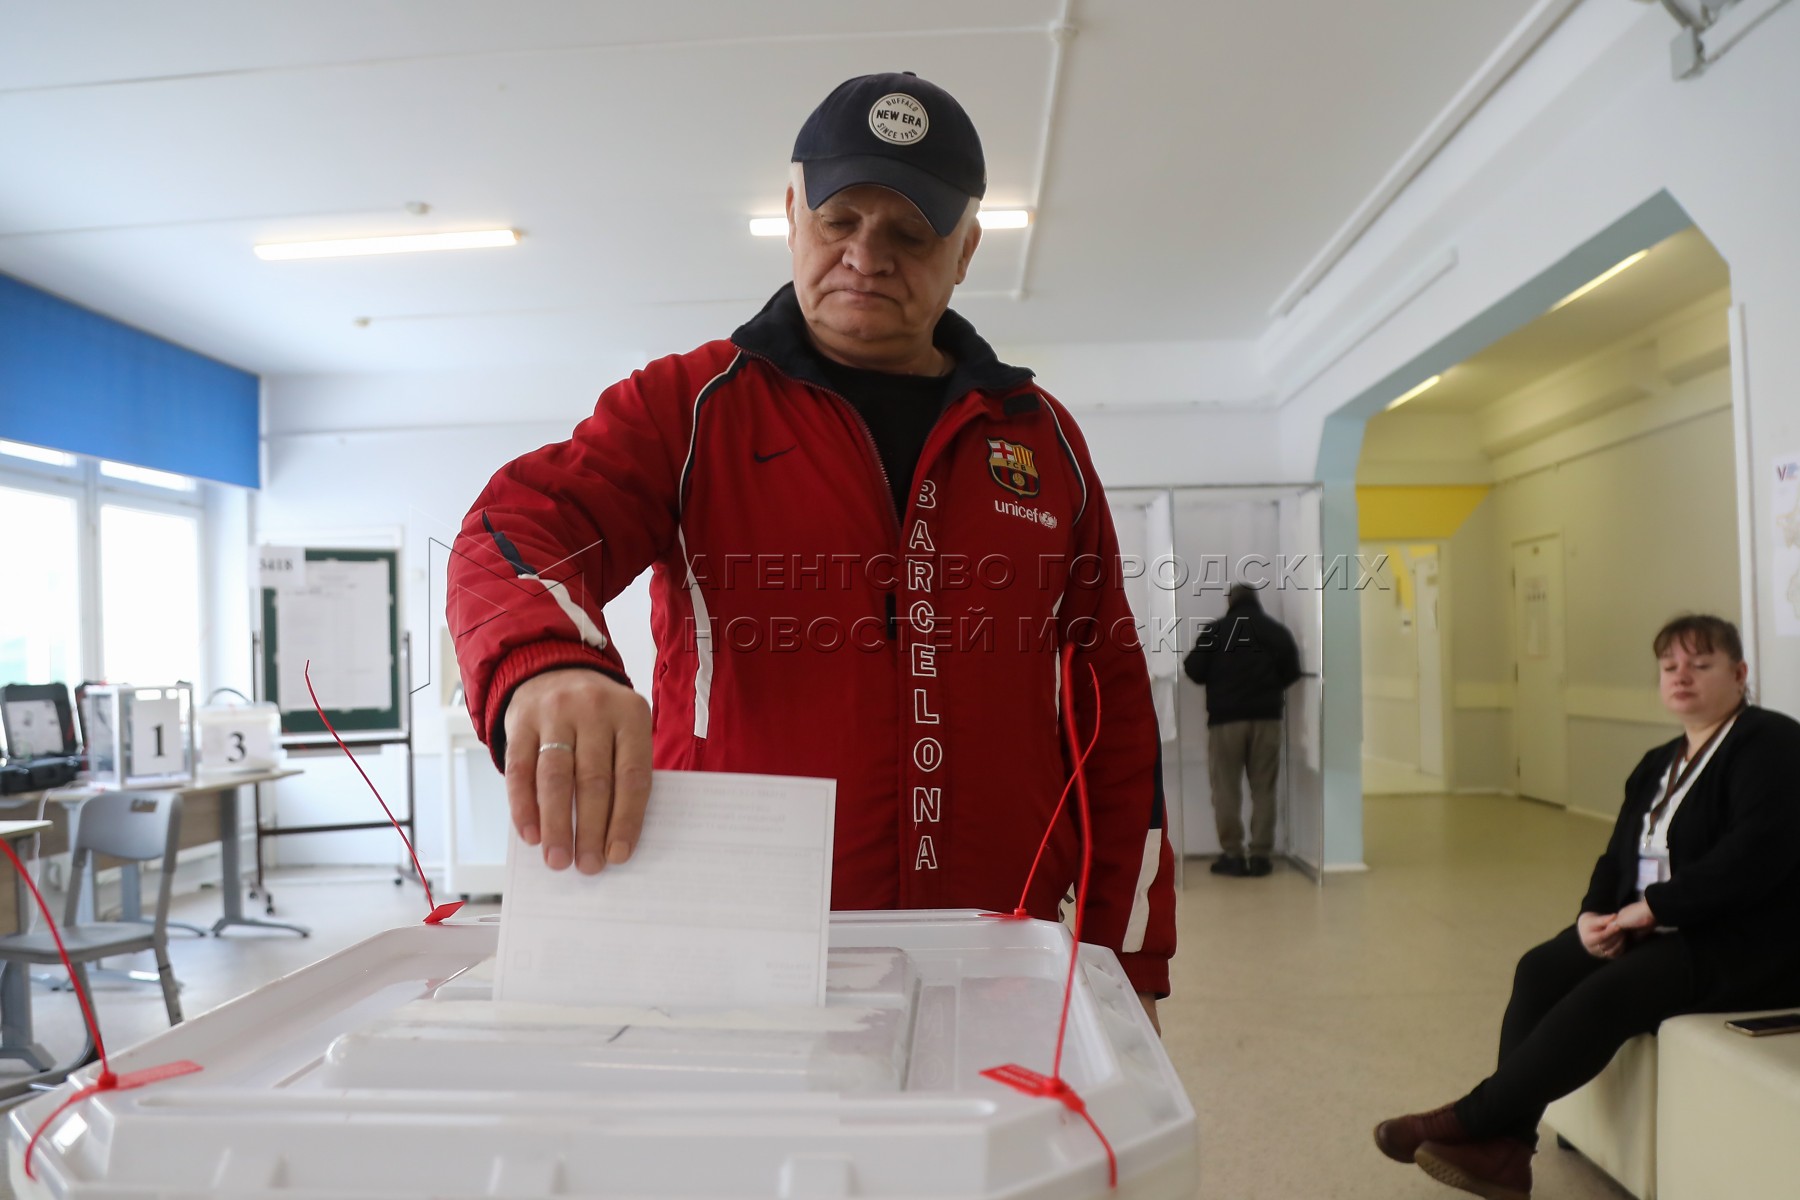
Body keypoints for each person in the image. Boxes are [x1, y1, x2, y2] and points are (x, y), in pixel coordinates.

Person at [447, 72, 1176, 1022]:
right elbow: (512, 527)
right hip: (740, 953)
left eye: (911, 232)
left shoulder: (1040, 439)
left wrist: (1129, 964)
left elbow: (1111, 711)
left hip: (1001, 949)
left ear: (965, 251)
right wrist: (550, 663)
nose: (866, 256)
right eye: (839, 219)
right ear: (792, 214)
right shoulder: (688, 408)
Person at [1373, 614, 1800, 1199]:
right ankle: (1510, 1149)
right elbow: (1617, 855)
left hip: (1748, 940)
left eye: (1701, 665)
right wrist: (1593, 915)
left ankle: (1472, 1121)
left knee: (1610, 990)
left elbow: (1754, 855)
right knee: (1541, 967)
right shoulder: (1659, 761)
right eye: (1670, 666)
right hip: (1660, 925)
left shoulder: (1772, 744)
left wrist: (1654, 909)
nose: (1682, 677)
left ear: (1740, 673)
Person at [1181, 582, 1302, 877]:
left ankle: (1233, 855)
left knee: (1225, 789)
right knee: (1264, 789)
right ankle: (1260, 856)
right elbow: (1292, 672)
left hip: (1226, 722)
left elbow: (1193, 669)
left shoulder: (1216, 631)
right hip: (1267, 720)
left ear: (1230, 602)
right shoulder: (1275, 631)